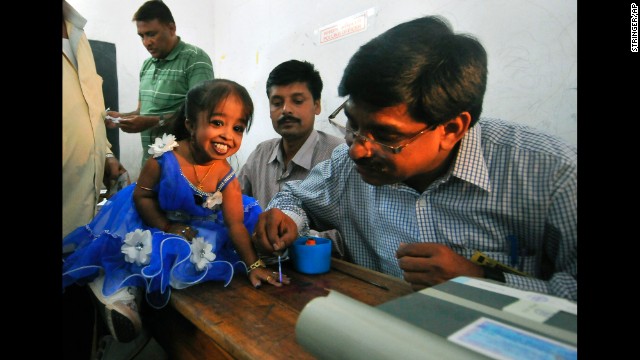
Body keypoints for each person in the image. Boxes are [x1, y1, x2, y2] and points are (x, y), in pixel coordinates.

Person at [251, 16, 577, 301]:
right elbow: (297, 197)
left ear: (451, 128)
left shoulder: (550, 173)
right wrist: (285, 217)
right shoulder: (346, 166)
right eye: (352, 123)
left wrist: (484, 282)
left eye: (386, 135)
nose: (358, 149)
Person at [63, 79, 290, 344]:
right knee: (136, 248)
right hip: (149, 215)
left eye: (238, 128)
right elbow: (142, 196)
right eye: (218, 123)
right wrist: (166, 226)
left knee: (206, 248)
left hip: (194, 221)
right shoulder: (164, 159)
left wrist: (254, 265)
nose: (228, 135)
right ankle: (114, 288)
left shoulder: (226, 175)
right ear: (190, 125)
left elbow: (235, 224)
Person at [63, 1, 129, 358]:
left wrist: (105, 155)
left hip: (79, 224)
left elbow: (92, 108)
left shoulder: (79, 34)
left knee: (76, 327)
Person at [237, 60, 345, 257]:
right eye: (277, 103)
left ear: (317, 105)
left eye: (297, 101)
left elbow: (353, 239)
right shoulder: (261, 154)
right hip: (261, 268)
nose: (286, 110)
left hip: (321, 274)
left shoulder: (339, 155)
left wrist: (295, 238)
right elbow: (234, 204)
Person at [106, 0, 214, 167]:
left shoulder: (195, 59)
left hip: (184, 166)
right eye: (141, 36)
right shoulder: (147, 66)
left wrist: (152, 122)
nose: (146, 42)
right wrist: (122, 117)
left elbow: (200, 114)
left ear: (171, 28)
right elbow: (142, 111)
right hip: (150, 165)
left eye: (151, 34)